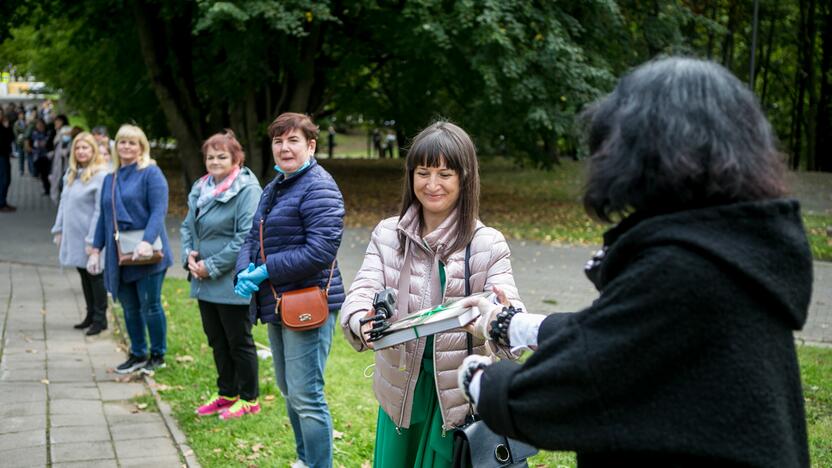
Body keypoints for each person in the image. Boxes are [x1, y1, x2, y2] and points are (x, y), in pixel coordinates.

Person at [457, 57, 813, 467]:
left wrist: (480, 379)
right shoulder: (733, 250)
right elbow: (619, 330)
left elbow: (575, 383)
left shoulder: (684, 267)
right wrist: (507, 323)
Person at [340, 120, 524, 468]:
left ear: (464, 178)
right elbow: (361, 291)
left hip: (455, 401)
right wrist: (360, 321)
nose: (432, 184)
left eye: (445, 174)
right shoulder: (387, 234)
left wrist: (502, 316)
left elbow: (511, 326)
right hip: (402, 394)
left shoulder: (487, 243)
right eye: (423, 172)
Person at [234, 112, 345, 468]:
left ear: (310, 146)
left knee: (307, 395)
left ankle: (318, 464)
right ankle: (304, 460)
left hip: (307, 303)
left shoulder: (320, 187)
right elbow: (254, 236)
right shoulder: (276, 185)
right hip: (277, 303)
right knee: (289, 390)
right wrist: (243, 269)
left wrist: (266, 270)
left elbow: (320, 250)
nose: (284, 147)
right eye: (278, 141)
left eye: (293, 140)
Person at [181, 130, 263, 420]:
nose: (215, 161)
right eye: (210, 156)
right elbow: (187, 226)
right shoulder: (201, 186)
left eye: (222, 156)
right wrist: (188, 254)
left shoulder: (246, 189)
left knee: (238, 340)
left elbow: (245, 237)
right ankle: (227, 393)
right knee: (216, 339)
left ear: (236, 158)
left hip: (230, 280)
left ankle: (249, 398)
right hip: (203, 281)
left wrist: (211, 265)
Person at [90, 124, 174, 374]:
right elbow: (104, 218)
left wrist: (146, 241)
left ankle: (157, 355)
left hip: (149, 253)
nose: (126, 147)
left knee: (150, 305)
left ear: (141, 147)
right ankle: (137, 353)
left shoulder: (151, 173)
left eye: (132, 142)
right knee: (129, 307)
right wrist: (96, 249)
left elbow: (159, 211)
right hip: (121, 255)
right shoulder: (110, 178)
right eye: (123, 142)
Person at [51, 132, 110, 334]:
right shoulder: (72, 174)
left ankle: (100, 318)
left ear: (93, 150)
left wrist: (93, 240)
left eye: (85, 147)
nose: (81, 151)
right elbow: (63, 204)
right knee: (83, 274)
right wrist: (58, 229)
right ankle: (90, 313)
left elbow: (99, 210)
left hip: (90, 236)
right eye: (78, 148)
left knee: (95, 275)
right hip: (73, 235)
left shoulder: (100, 176)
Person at [30, 118, 51, 195]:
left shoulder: (48, 133)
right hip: (37, 156)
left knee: (46, 174)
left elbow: (46, 143)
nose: (40, 126)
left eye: (41, 125)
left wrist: (40, 143)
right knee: (42, 174)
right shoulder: (34, 133)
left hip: (46, 156)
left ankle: (48, 189)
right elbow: (34, 144)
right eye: (38, 125)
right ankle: (46, 189)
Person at [0, 113, 14, 212]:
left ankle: (3, 201)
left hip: (5, 155)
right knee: (4, 180)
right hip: (1, 156)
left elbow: (11, 139)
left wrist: (7, 127)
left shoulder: (4, 126)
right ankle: (1, 203)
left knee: (6, 179)